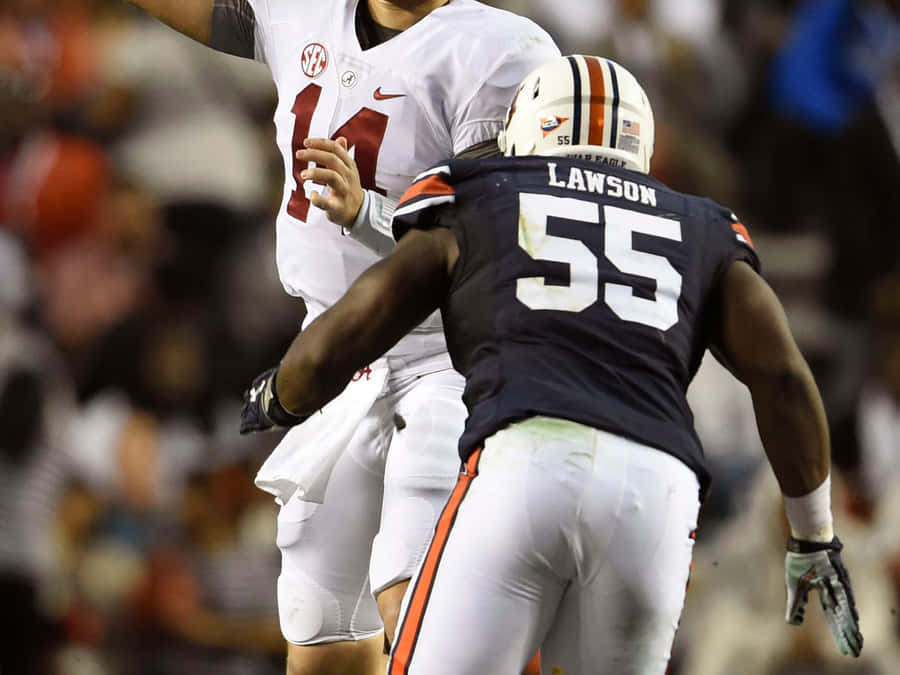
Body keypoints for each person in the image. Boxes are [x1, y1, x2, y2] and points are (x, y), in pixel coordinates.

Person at [241, 55, 864, 674]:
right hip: (656, 493)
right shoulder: (703, 225)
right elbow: (782, 376)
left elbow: (360, 319)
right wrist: (813, 532)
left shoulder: (482, 194)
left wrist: (281, 395)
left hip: (525, 461)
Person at [125, 1, 558, 673]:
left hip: (450, 356)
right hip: (339, 349)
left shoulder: (499, 52)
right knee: (322, 640)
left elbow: (485, 254)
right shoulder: (301, 11)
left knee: (432, 614)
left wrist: (367, 215)